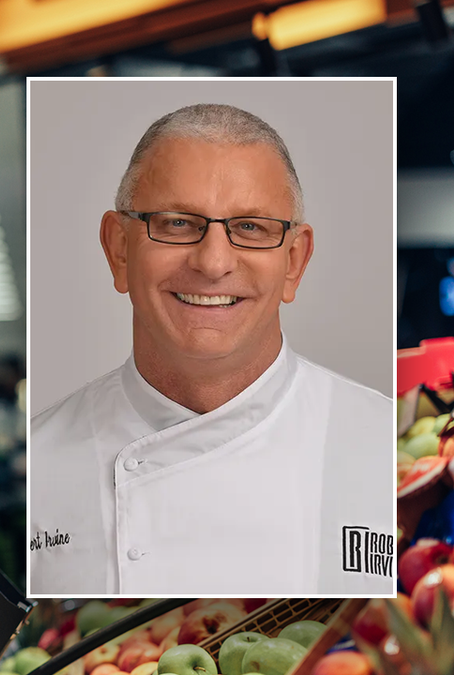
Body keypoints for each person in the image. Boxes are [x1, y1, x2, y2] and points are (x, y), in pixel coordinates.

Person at [28, 103, 394, 596]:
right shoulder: (40, 460)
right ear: (119, 250)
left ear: (294, 262)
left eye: (250, 227)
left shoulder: (388, 450)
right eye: (177, 223)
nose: (214, 262)